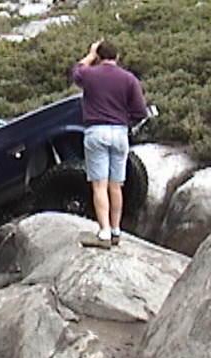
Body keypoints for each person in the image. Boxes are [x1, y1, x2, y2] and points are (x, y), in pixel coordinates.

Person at [72, 40, 147, 249]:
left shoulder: (90, 75)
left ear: (98, 56)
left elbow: (76, 71)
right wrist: (126, 122)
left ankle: (103, 232)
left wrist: (89, 54)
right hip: (120, 133)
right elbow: (141, 111)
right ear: (118, 56)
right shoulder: (129, 79)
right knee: (116, 185)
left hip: (96, 132)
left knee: (99, 184)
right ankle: (116, 230)